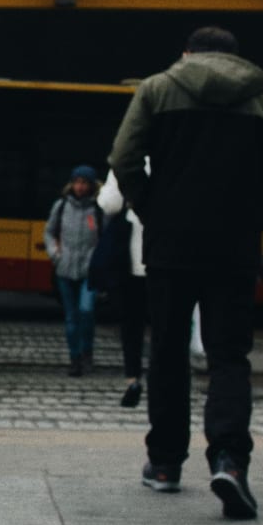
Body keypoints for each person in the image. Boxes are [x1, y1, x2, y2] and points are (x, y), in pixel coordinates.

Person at [109, 26, 263, 517]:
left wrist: (154, 210)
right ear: (236, 59)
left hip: (171, 246)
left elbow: (123, 159)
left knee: (168, 352)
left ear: (187, 52)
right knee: (229, 355)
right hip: (235, 247)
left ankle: (166, 465)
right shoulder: (261, 97)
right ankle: (230, 461)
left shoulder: (157, 88)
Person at [95, 165, 147, 407]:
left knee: (131, 326)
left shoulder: (132, 157)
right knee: (167, 327)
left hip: (132, 259)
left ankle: (133, 379)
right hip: (169, 254)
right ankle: (164, 382)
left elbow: (109, 203)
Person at [45, 164, 103, 376]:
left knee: (86, 310)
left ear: (91, 185)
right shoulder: (61, 206)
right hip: (65, 269)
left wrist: (98, 260)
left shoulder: (98, 209)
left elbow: (104, 238)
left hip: (89, 270)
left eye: (84, 183)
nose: (80, 187)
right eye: (77, 182)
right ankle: (75, 358)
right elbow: (49, 232)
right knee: (71, 317)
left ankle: (87, 352)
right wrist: (55, 255)